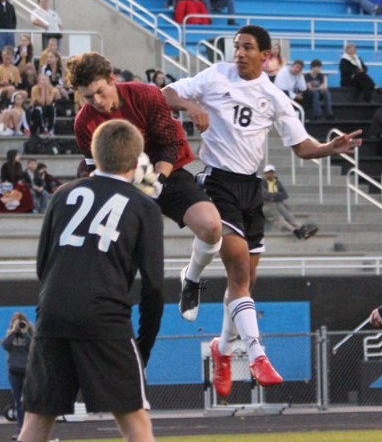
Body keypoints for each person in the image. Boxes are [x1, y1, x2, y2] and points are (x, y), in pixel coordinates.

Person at [162, 24, 362, 397]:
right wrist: (190, 105)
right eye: (236, 46)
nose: (238, 53)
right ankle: (257, 354)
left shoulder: (274, 97)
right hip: (217, 181)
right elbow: (166, 93)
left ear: (266, 56)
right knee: (237, 269)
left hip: (251, 189)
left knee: (245, 284)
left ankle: (222, 348)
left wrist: (330, 148)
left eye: (247, 47)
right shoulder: (216, 75)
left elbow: (301, 147)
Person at [18, 119, 163, 442]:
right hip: (104, 315)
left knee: (38, 418)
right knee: (134, 421)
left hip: (53, 313)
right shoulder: (143, 206)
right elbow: (153, 285)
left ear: (95, 154)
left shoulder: (62, 194)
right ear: (136, 159)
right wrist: (144, 346)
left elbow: (44, 264)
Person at [66, 52, 222, 323]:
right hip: (123, 184)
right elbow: (96, 172)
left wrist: (156, 181)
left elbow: (169, 145)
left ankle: (192, 277)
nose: (97, 101)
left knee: (211, 226)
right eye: (88, 97)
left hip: (166, 173)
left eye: (100, 92)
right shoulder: (83, 123)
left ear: (111, 79)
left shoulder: (146, 95)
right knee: (103, 250)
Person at [261, 164, 319, 239]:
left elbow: (285, 195)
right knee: (278, 218)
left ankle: (301, 227)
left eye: (272, 172)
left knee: (288, 215)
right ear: (265, 174)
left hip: (277, 202)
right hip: (266, 205)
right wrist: (276, 195)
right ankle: (295, 231)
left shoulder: (277, 182)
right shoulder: (261, 182)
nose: (270, 174)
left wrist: (274, 196)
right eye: (268, 172)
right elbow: (264, 195)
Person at [2, 312, 33, 439]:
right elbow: (5, 346)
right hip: (14, 372)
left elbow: (32, 347)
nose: (19, 324)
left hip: (27, 372)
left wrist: (25, 332)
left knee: (28, 402)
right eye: (16, 322)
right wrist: (14, 331)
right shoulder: (10, 334)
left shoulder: (29, 334)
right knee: (18, 403)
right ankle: (21, 430)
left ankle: (29, 430)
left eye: (20, 322)